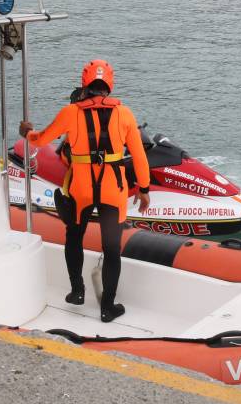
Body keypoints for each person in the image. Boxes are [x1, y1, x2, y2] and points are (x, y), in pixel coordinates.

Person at [19, 60, 150, 323]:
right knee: (112, 248)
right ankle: (108, 307)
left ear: (84, 83)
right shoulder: (125, 114)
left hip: (81, 187)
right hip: (113, 188)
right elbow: (139, 156)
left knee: (74, 236)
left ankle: (77, 292)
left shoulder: (71, 112)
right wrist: (144, 189)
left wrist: (27, 132)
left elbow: (42, 139)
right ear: (109, 85)